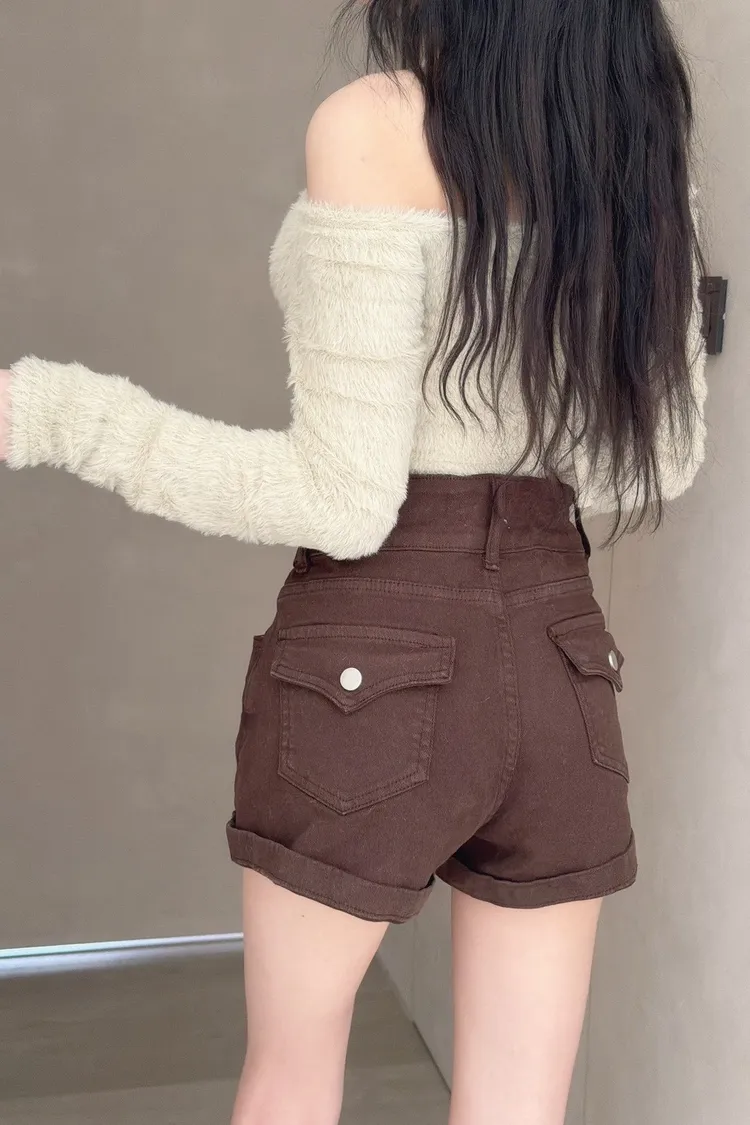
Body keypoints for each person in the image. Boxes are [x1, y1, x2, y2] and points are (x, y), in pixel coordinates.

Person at [0, 2, 709, 1123]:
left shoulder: (377, 122)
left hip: (378, 651)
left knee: (290, 1077)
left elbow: (342, 498)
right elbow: (649, 464)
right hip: (564, 653)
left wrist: (61, 413)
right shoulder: (631, 140)